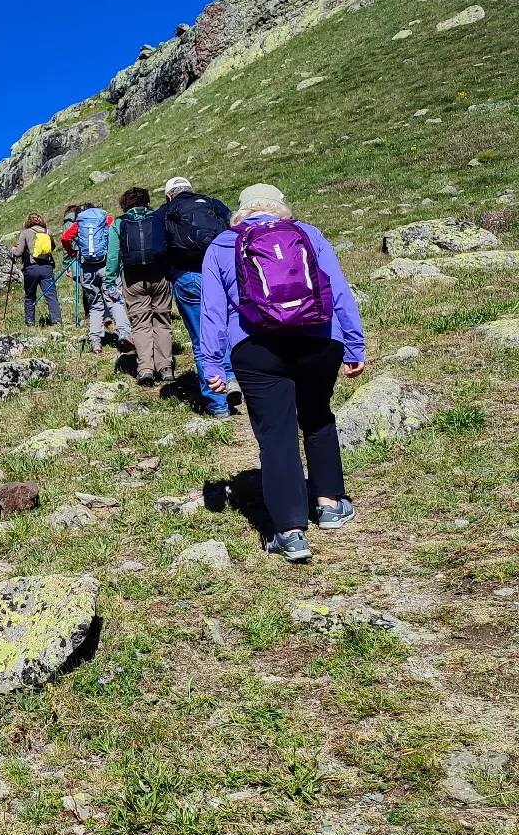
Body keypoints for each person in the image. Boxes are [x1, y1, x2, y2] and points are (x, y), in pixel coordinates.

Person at [200, 184, 366, 563]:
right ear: (280, 209)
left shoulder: (222, 245)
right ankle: (329, 504)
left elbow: (212, 312)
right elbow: (338, 290)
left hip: (256, 348)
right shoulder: (307, 233)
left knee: (276, 435)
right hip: (320, 341)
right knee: (318, 416)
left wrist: (212, 364)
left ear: (240, 212)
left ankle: (290, 533)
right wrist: (354, 344)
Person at [159, 177, 235, 415]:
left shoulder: (166, 211)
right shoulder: (213, 204)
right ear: (191, 191)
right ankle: (232, 379)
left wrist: (170, 273)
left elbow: (157, 249)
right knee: (226, 330)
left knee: (202, 341)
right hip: (220, 275)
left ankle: (218, 404)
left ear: (169, 195)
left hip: (188, 277)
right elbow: (234, 230)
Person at [107, 187, 172, 385]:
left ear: (125, 204)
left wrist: (110, 281)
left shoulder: (119, 223)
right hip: (159, 274)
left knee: (140, 323)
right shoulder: (158, 218)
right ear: (147, 201)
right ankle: (166, 368)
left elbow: (112, 256)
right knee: (162, 319)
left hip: (133, 277)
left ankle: (145, 369)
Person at [63, 204, 132, 354]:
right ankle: (124, 334)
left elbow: (65, 237)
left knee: (95, 305)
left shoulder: (79, 222)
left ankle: (95, 342)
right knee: (115, 301)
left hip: (87, 268)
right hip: (106, 266)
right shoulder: (106, 219)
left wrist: (72, 252)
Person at [10, 214, 61, 326]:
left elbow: (18, 253)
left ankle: (30, 322)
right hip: (46, 267)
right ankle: (56, 320)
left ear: (28, 222)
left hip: (31, 268)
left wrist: (13, 250)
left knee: (30, 296)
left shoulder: (25, 233)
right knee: (51, 295)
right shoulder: (48, 232)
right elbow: (52, 248)